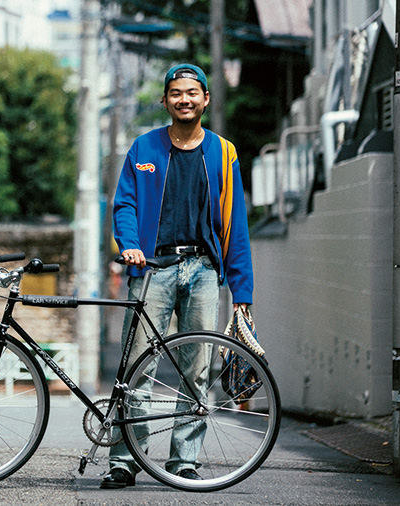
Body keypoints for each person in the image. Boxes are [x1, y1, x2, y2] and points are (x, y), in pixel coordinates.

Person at [102, 63, 254, 488]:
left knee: (198, 367)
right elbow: (125, 205)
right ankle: (125, 459)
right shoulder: (144, 148)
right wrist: (129, 244)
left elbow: (235, 225)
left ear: (205, 99)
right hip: (151, 267)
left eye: (192, 92)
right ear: (165, 100)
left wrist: (243, 292)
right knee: (134, 366)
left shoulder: (224, 153)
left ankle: (183, 459)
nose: (184, 99)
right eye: (175, 93)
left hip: (204, 269)